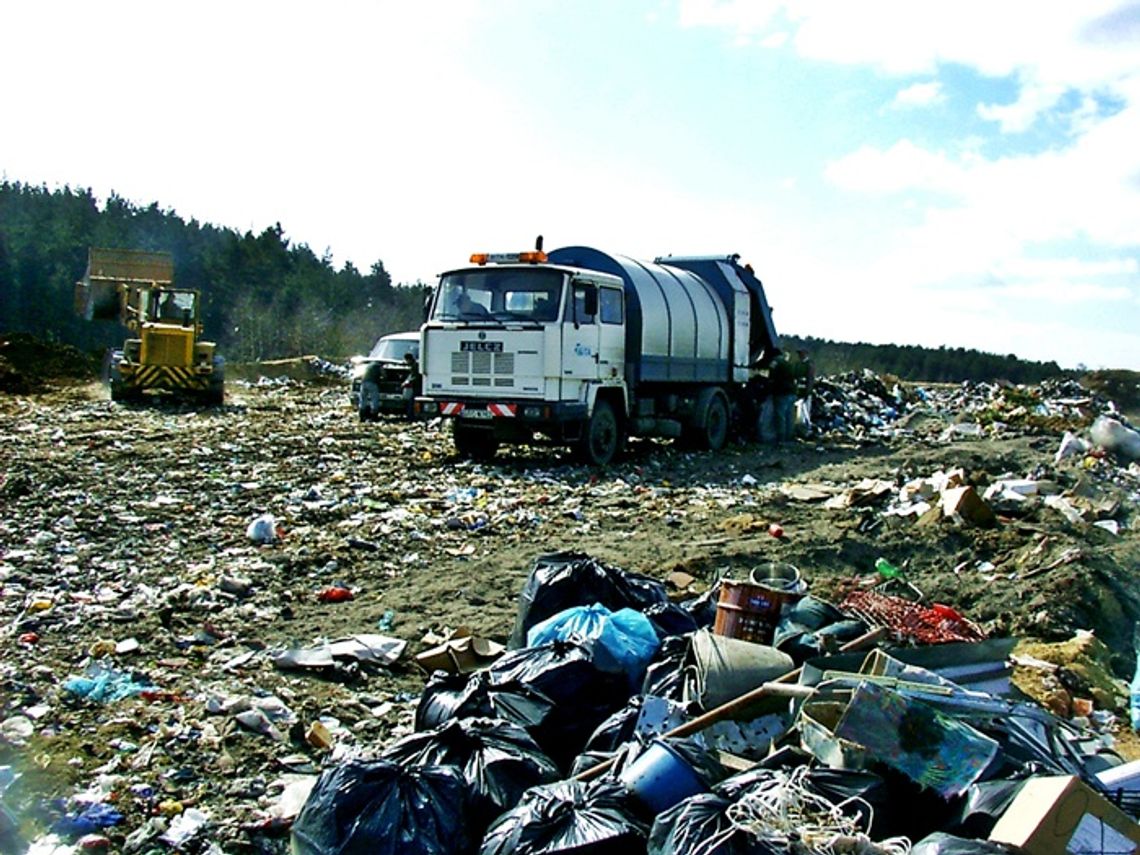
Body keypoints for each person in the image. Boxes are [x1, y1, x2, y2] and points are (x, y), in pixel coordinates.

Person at [769, 348, 814, 442]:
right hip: (793, 392)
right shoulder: (788, 363)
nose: (799, 355)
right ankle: (789, 438)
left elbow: (772, 375)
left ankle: (781, 438)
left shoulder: (776, 361)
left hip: (782, 392)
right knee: (789, 416)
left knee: (780, 416)